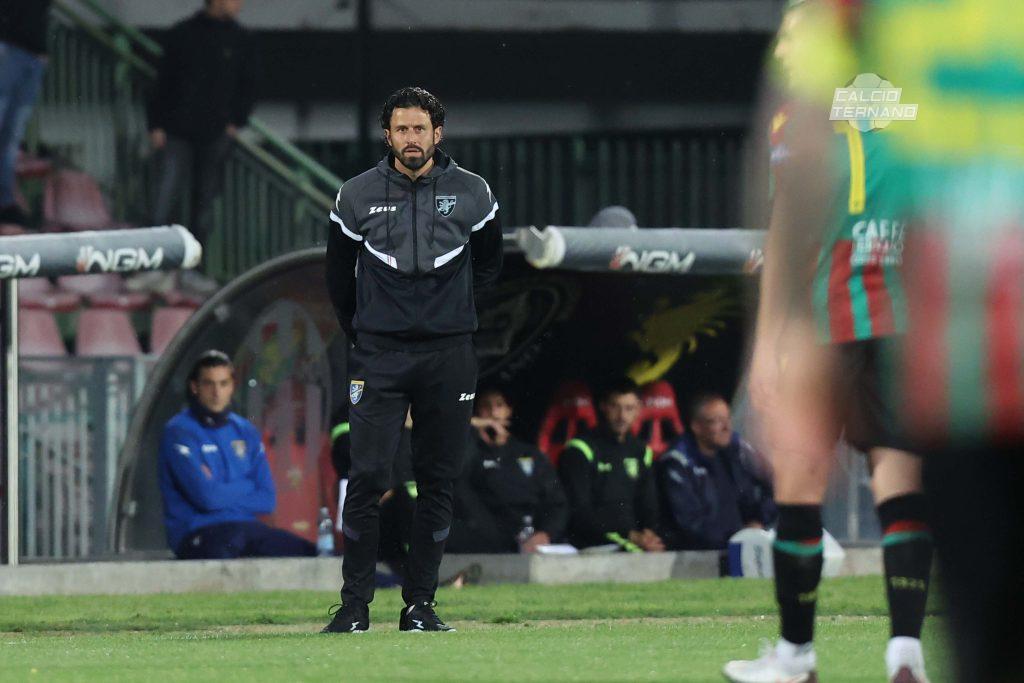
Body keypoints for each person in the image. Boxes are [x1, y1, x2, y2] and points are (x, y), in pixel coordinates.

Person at [724, 3, 932, 682]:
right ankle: (905, 652)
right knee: (899, 481)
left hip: (826, 313)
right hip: (907, 312)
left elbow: (788, 225)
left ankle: (796, 655)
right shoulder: (921, 93)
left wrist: (768, 342)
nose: (785, 46)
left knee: (799, 476)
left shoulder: (803, 109)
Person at [322, 86, 503, 633]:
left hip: (449, 355)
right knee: (367, 477)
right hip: (379, 354)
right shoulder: (355, 195)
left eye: (420, 129)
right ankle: (354, 608)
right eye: (401, 129)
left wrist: (454, 317)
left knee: (437, 480)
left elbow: (490, 265)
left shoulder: (473, 192)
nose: (411, 138)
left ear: (437, 133)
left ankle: (419, 606)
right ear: (388, 135)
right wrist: (367, 333)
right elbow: (337, 278)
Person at [142, 0, 258, 294]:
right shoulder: (182, 34)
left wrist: (235, 122)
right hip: (177, 132)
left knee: (203, 208)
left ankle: (191, 271)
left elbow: (249, 85)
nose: (240, 4)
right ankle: (154, 267)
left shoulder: (241, 39)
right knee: (164, 199)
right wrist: (156, 125)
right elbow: (162, 83)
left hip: (214, 135)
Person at [158, 350, 316, 559]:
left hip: (246, 528)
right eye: (209, 384)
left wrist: (221, 491)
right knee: (227, 549)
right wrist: (248, 485)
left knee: (308, 553)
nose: (217, 392)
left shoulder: (245, 431)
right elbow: (207, 498)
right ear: (195, 387)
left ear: (232, 386)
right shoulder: (179, 431)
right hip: (197, 532)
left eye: (223, 384)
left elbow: (267, 499)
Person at [448, 387, 569, 554]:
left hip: (530, 542)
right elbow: (457, 482)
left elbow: (557, 502)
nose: (493, 413)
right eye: (486, 406)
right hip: (484, 543)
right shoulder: (471, 453)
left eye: (499, 405)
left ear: (509, 410)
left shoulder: (529, 454)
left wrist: (545, 534)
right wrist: (473, 430)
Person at [657, 393, 776, 550]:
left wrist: (759, 521)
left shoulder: (737, 450)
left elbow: (776, 482)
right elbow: (690, 523)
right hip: (696, 554)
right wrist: (737, 535)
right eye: (717, 421)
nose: (727, 427)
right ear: (696, 427)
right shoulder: (678, 462)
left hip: (740, 545)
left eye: (727, 419)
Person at [558, 378, 664, 552]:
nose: (622, 416)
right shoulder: (581, 448)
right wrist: (629, 535)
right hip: (594, 545)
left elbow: (649, 506)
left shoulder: (641, 451)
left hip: (635, 544)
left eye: (629, 408)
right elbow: (580, 512)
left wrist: (649, 535)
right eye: (616, 407)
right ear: (603, 407)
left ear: (638, 409)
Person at [0, 0, 51, 226]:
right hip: (8, 47)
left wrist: (41, 50)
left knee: (12, 138)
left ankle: (5, 202)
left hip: (33, 52)